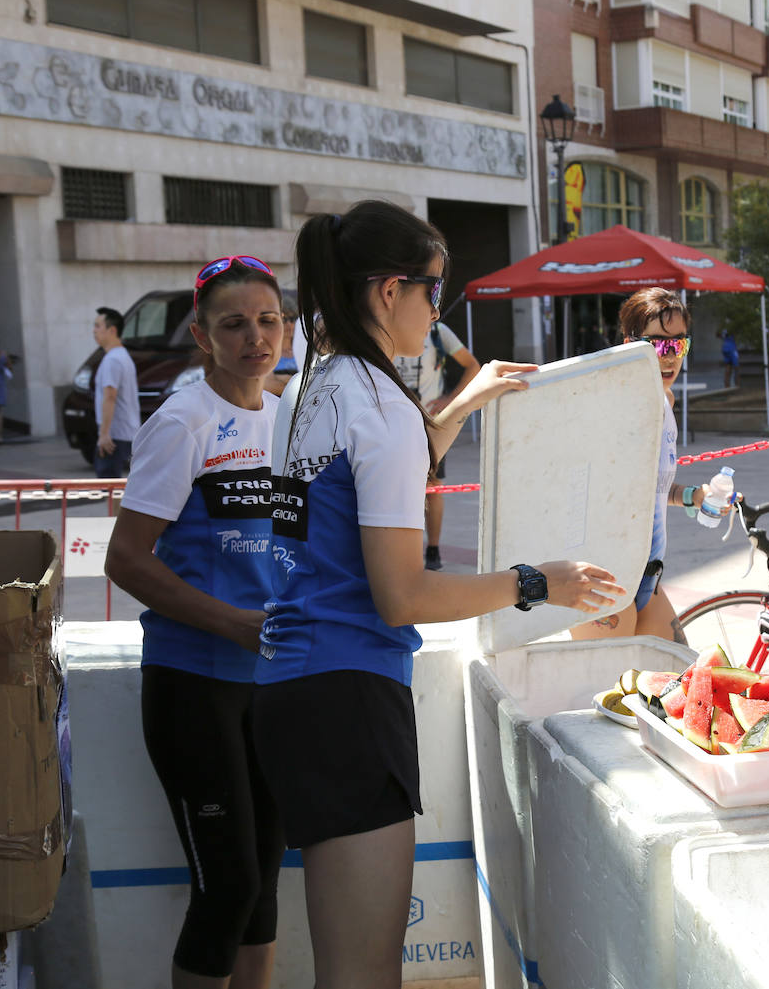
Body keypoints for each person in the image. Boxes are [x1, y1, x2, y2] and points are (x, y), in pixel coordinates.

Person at [254, 200, 624, 989]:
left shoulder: (309, 384)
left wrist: (462, 403)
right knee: (364, 972)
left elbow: (371, 487)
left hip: (291, 688)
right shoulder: (379, 402)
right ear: (389, 292)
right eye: (433, 290)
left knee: (343, 967)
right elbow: (401, 592)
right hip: (349, 693)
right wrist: (537, 582)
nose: (438, 311)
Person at [105, 255, 287, 989]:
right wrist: (233, 622)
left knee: (266, 884)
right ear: (202, 335)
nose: (255, 337)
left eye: (269, 320)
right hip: (193, 684)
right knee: (228, 886)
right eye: (234, 324)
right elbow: (125, 557)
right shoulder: (183, 420)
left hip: (270, 683)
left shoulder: (284, 416)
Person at [571, 287, 707, 645]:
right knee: (600, 694)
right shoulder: (614, 405)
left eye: (679, 344)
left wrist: (693, 496)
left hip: (648, 574)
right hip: (606, 576)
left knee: (677, 683)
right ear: (631, 343)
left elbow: (652, 488)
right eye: (659, 344)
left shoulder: (665, 400)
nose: (670, 357)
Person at [393, 319, 480, 570]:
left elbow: (472, 366)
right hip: (393, 421)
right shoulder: (388, 328)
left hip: (431, 424)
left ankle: (433, 549)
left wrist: (450, 400)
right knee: (394, 487)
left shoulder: (439, 332)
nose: (432, 309)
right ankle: (401, 554)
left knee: (432, 487)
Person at [92, 306, 141, 477]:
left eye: (98, 326)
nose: (94, 331)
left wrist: (104, 434)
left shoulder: (112, 360)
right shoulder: (122, 356)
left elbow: (110, 397)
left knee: (112, 489)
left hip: (115, 437)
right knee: (119, 490)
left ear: (112, 330)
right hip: (125, 433)